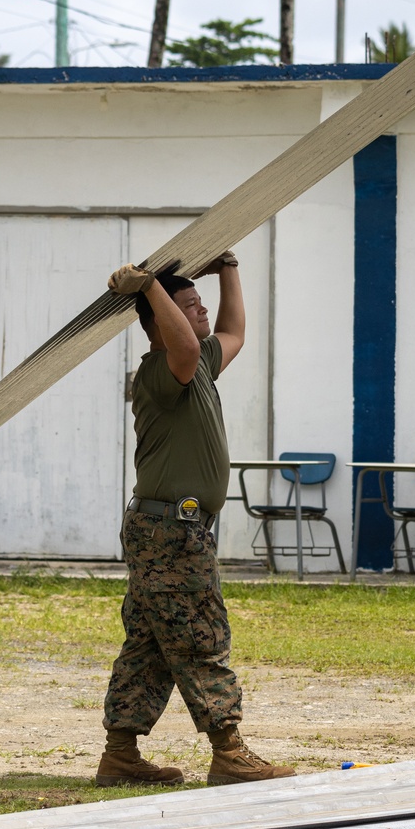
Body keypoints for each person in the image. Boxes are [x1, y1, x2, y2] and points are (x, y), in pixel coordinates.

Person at [96, 252, 295, 788]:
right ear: (162, 322)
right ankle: (229, 751)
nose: (201, 313)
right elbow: (181, 341)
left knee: (150, 645)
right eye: (189, 307)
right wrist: (150, 288)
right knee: (199, 636)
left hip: (166, 529)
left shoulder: (199, 362)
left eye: (199, 303)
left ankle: (120, 754)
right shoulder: (163, 370)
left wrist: (229, 268)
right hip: (170, 532)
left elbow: (234, 331)